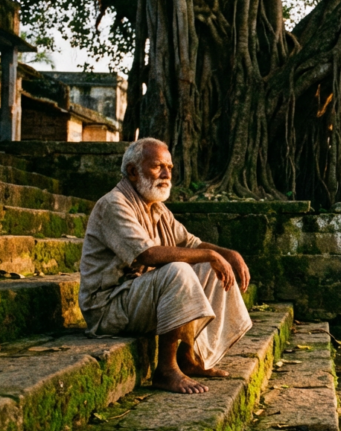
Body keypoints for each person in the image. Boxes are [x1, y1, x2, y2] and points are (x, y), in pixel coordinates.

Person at [78, 138, 253, 394]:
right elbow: (147, 255)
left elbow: (191, 243)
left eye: (169, 168)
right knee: (178, 269)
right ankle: (166, 370)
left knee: (210, 269)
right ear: (132, 171)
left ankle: (187, 359)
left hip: (137, 298)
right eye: (158, 166)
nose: (166, 174)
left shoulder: (157, 208)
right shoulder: (113, 204)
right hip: (108, 308)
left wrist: (229, 254)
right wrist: (208, 255)